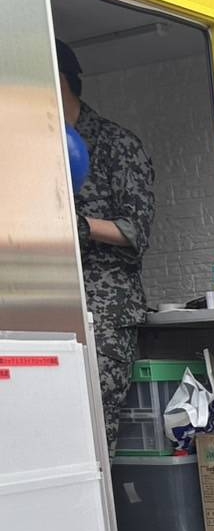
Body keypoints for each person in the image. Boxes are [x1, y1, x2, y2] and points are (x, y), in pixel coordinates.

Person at [57, 40, 155, 455]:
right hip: (50, 308)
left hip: (104, 314)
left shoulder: (117, 144)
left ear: (60, 81)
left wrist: (75, 226)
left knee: (93, 438)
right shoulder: (37, 146)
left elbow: (136, 231)